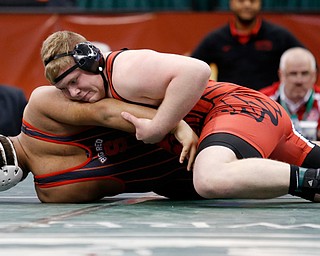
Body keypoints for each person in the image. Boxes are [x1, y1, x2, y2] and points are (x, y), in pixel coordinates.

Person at [40, 30, 320, 203]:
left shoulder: (123, 69)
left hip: (234, 109)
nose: (74, 93)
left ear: (91, 60)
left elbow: (197, 70)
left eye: (75, 81)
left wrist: (160, 127)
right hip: (245, 119)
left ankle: (311, 181)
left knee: (210, 178)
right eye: (65, 89)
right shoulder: (105, 90)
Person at [0, 84, 202, 203]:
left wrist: (174, 125)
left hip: (190, 172)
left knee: (215, 181)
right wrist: (173, 124)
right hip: (188, 112)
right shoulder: (39, 107)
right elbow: (106, 112)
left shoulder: (52, 192)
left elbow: (106, 113)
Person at [191, 0, 304, 90]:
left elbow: (309, 64)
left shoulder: (279, 36)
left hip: (269, 105)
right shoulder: (215, 39)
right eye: (241, 0)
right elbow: (192, 70)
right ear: (231, 3)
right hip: (228, 106)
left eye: (252, 1)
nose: (247, 5)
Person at [260, 47, 319, 140]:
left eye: (304, 73)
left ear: (314, 75)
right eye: (293, 73)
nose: (299, 80)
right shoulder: (263, 101)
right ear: (281, 75)